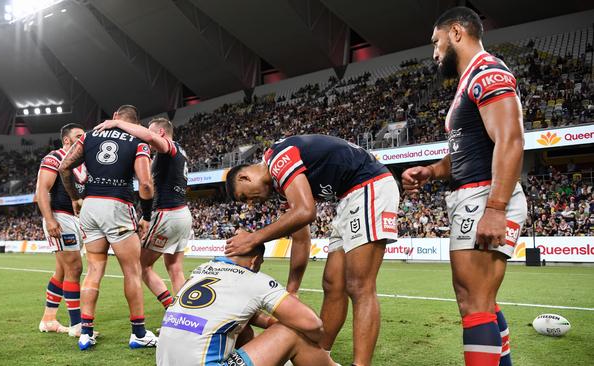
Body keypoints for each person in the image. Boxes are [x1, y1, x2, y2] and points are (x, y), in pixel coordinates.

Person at [402, 7, 527, 366]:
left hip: (483, 195)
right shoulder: (469, 81)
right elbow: (465, 153)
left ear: (456, 32)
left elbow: (511, 140)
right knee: (479, 299)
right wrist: (432, 170)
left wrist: (496, 208)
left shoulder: (487, 71)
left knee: (473, 302)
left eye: (436, 41)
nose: (434, 51)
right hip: (473, 192)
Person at [225, 134, 399, 366]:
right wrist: (292, 289)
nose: (250, 203)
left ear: (246, 177)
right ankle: (320, 357)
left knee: (359, 285)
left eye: (244, 196)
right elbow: (301, 238)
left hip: (369, 186)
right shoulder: (280, 188)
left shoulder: (277, 158)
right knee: (332, 283)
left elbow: (306, 211)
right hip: (349, 197)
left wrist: (253, 238)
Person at [58, 105, 157, 350]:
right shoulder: (138, 141)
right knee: (132, 271)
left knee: (93, 271)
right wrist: (146, 215)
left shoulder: (89, 135)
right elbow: (145, 184)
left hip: (90, 206)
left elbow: (64, 166)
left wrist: (75, 196)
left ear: (115, 118)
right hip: (117, 206)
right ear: (135, 122)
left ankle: (86, 333)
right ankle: (139, 333)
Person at [156, 243, 338, 366]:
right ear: (255, 260)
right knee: (292, 331)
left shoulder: (200, 270)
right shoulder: (253, 279)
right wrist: (313, 338)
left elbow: (228, 309)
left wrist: (268, 322)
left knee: (240, 327)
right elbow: (312, 324)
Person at [94, 117, 191, 311]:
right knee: (175, 268)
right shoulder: (181, 151)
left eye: (151, 131)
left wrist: (118, 124)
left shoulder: (168, 146)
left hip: (167, 214)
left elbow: (147, 136)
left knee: (141, 265)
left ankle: (172, 309)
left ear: (161, 133)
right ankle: (185, 313)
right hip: (183, 214)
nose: (148, 135)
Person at [36, 123, 87, 336]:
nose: (82, 139)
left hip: (77, 219)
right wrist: (49, 220)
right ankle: (77, 325)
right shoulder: (54, 157)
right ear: (67, 140)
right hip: (60, 217)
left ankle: (48, 319)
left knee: (62, 271)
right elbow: (41, 191)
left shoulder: (83, 162)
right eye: (78, 136)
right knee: (75, 268)